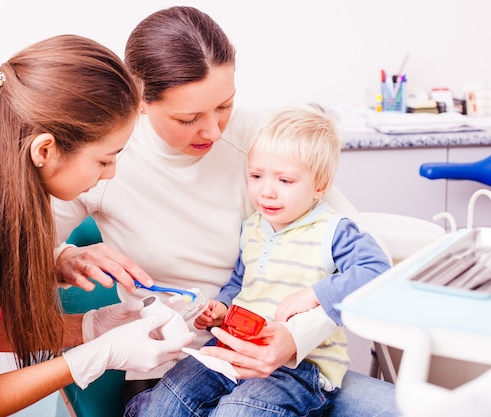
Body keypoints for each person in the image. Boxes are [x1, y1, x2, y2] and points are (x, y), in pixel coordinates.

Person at [52, 6, 400, 416]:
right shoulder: (106, 157)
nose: (214, 131)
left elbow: (371, 258)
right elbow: (26, 250)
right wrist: (64, 256)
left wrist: (295, 336)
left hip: (288, 361)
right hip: (177, 366)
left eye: (225, 105)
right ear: (139, 99)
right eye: (188, 118)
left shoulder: (263, 142)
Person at [0, 34, 193, 417]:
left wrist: (89, 323)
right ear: (44, 149)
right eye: (105, 159)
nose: (111, 173)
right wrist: (95, 356)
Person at [124, 105, 391, 416]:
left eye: (285, 181)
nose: (267, 191)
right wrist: (221, 308)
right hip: (229, 351)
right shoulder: (252, 227)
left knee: (239, 411)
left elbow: (377, 270)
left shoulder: (334, 230)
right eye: (256, 176)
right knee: (164, 402)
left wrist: (315, 294)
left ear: (320, 185)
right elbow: (241, 282)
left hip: (299, 368)